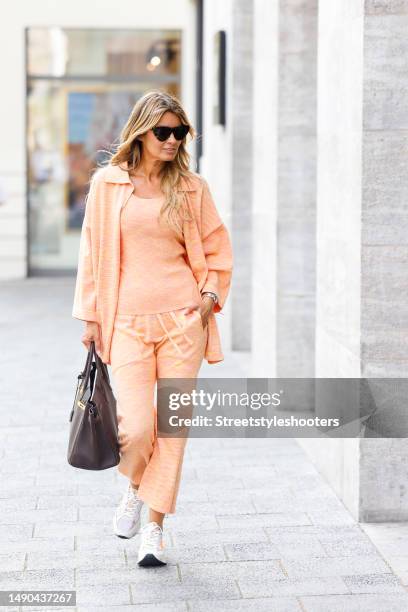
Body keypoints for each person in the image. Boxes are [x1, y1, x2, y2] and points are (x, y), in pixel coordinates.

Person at [72, 90, 233, 567]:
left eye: (179, 132)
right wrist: (90, 315)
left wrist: (207, 301)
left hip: (184, 322)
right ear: (140, 132)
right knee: (139, 428)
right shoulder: (108, 185)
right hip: (127, 322)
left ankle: (155, 529)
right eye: (162, 131)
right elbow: (90, 252)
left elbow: (217, 247)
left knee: (173, 428)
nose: (171, 140)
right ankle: (133, 488)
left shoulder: (191, 187)